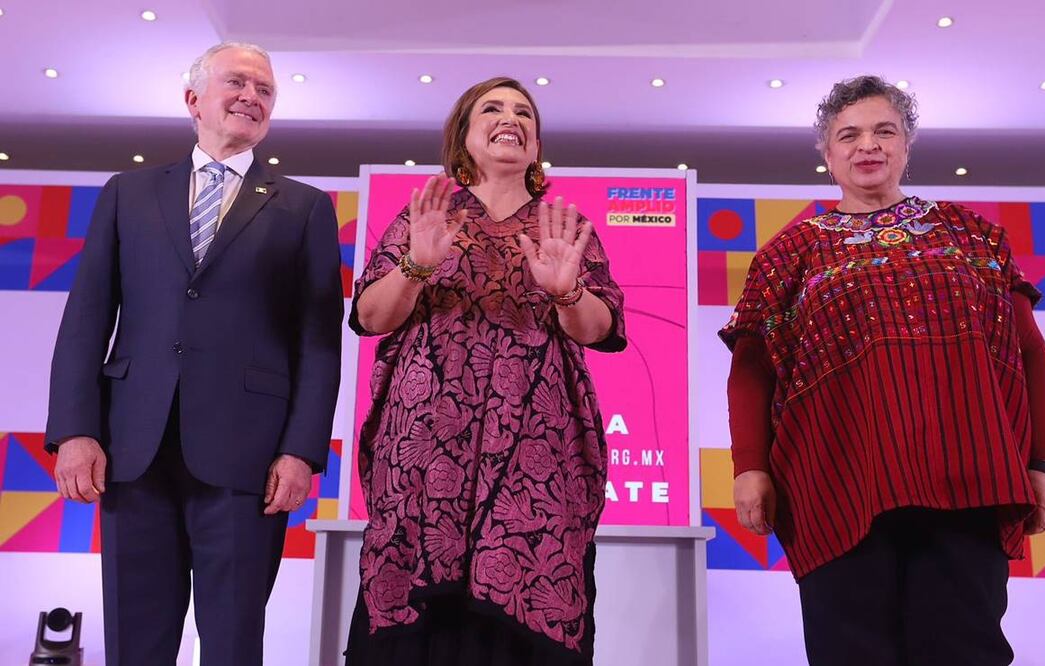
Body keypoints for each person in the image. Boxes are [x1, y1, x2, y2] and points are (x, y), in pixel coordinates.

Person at [721, 75, 1045, 666]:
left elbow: (1028, 351)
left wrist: (1043, 462)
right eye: (848, 135)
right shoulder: (788, 252)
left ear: (907, 145)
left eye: (885, 131)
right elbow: (752, 371)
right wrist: (750, 468)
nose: (867, 146)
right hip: (837, 481)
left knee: (965, 650)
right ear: (827, 156)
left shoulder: (972, 234)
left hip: (968, 476)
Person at [46, 42, 343, 666]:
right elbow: (86, 319)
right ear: (193, 99)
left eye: (265, 90)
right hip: (133, 450)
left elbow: (318, 343)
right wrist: (75, 431)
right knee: (135, 640)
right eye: (237, 82)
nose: (251, 97)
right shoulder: (127, 193)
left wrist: (301, 452)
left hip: (248, 458)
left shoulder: (306, 207)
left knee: (233, 644)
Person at [345, 76, 626, 665]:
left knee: (520, 608)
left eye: (524, 112)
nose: (511, 118)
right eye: (493, 108)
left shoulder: (563, 228)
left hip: (536, 453)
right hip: (427, 446)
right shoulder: (427, 217)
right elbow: (370, 316)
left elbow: (599, 329)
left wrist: (566, 290)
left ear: (536, 140)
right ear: (464, 136)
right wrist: (417, 268)